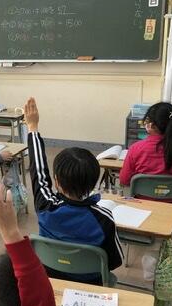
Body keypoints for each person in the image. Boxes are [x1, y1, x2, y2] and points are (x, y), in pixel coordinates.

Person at [25, 98, 123, 284]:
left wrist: (33, 128)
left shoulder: (46, 206)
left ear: (57, 181)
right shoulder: (104, 218)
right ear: (93, 183)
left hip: (50, 279)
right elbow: (114, 261)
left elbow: (38, 170)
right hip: (91, 285)